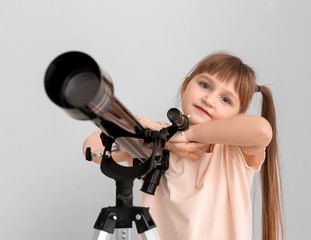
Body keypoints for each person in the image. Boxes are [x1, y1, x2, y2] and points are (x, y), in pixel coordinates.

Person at [83, 52, 283, 240]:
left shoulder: (235, 152)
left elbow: (262, 130)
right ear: (185, 86)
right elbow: (90, 147)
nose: (209, 99)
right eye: (205, 85)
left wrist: (188, 135)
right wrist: (159, 140)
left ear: (239, 117)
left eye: (225, 99)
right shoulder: (160, 139)